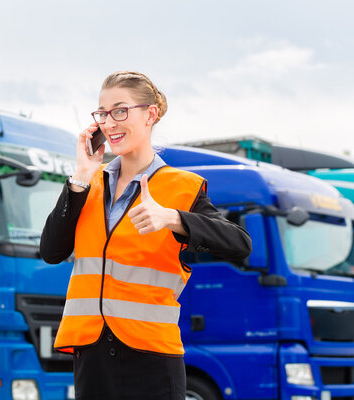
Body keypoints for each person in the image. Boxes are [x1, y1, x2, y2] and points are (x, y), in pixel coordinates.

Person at [40, 70, 252, 400]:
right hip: (91, 352)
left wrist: (174, 218)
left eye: (120, 111)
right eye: (103, 114)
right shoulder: (88, 185)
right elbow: (51, 250)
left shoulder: (182, 188)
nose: (109, 123)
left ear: (150, 114)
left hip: (151, 355)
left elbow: (240, 244)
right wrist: (81, 175)